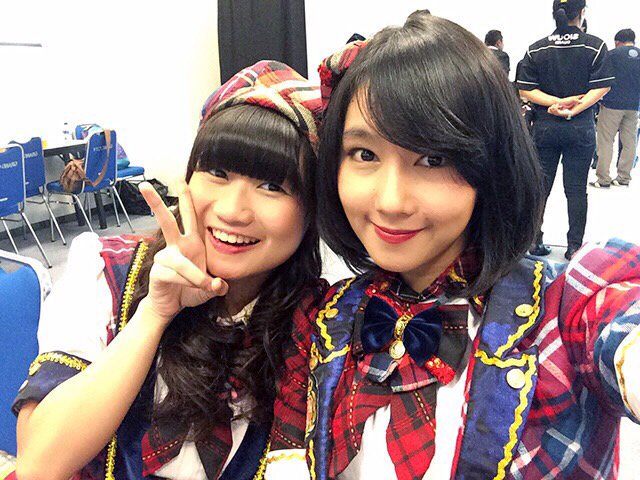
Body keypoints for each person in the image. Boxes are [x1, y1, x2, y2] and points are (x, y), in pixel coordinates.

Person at [264, 13, 640, 480]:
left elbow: (618, 317)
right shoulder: (327, 318)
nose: (390, 202)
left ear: (491, 164)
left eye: (432, 158)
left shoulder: (561, 314)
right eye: (365, 154)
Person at [11, 61, 326, 480]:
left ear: (312, 209)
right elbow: (39, 465)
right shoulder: (106, 270)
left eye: (272, 186)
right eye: (217, 173)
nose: (233, 211)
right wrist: (153, 315)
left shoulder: (325, 322)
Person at [516, 0, 614, 260]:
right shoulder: (595, 45)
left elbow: (525, 89)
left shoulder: (536, 48)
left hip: (545, 127)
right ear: (582, 13)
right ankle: (573, 247)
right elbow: (602, 87)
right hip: (580, 127)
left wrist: (556, 103)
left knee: (540, 188)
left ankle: (533, 242)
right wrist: (573, 107)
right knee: (576, 189)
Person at [591, 28, 640, 188]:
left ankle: (603, 178)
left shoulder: (611, 55)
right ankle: (624, 177)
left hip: (612, 104)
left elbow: (602, 77)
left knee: (606, 141)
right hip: (633, 106)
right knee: (629, 141)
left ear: (617, 42)